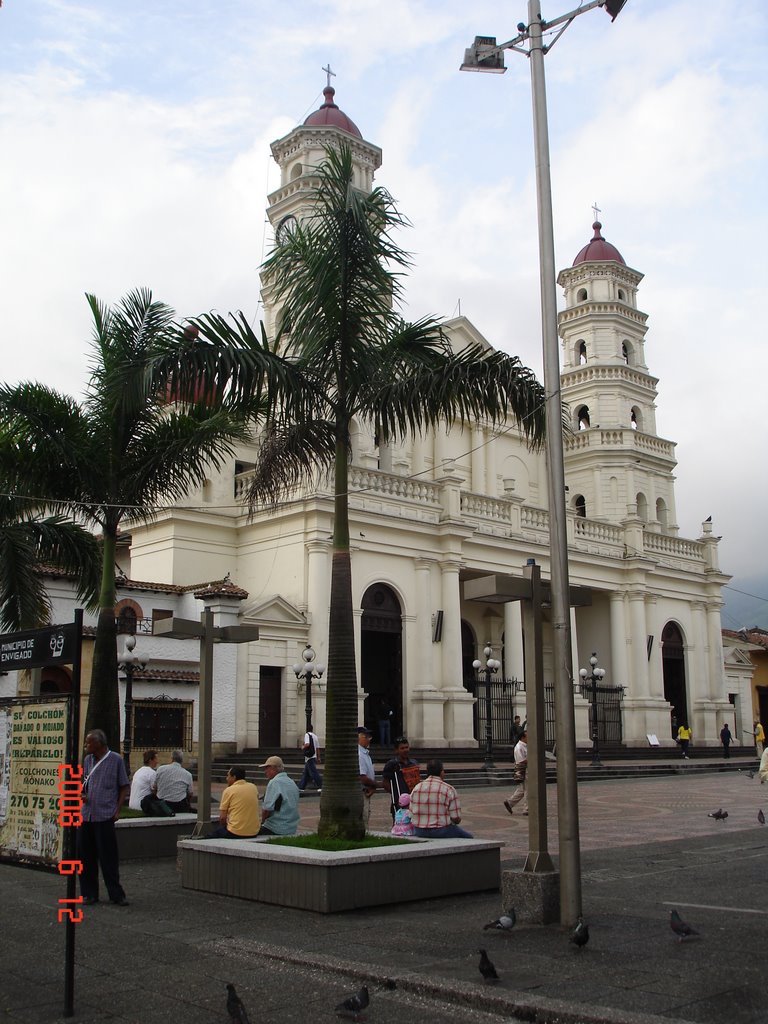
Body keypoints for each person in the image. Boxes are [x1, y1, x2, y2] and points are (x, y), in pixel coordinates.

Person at [78, 729, 130, 906]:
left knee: (108, 858)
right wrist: (83, 795)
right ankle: (89, 893)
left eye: (89, 743)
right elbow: (85, 782)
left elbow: (123, 785)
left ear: (98, 744)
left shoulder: (115, 760)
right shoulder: (88, 760)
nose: (86, 746)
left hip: (104, 815)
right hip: (87, 815)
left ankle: (116, 893)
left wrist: (118, 809)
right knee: (86, 857)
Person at [409, 759, 473, 839]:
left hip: (419, 830)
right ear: (441, 772)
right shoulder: (448, 789)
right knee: (469, 837)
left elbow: (411, 814)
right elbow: (456, 818)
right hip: (441, 830)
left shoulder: (416, 788)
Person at [211, 766, 260, 838]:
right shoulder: (253, 787)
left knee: (213, 834)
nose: (226, 778)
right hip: (254, 832)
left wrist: (224, 826)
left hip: (235, 832)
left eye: (228, 776)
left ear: (234, 777)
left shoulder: (229, 790)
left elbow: (222, 818)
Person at [257, 755, 300, 836]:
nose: (265, 771)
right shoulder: (291, 781)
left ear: (273, 768)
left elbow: (267, 809)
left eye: (266, 768)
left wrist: (262, 823)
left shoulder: (274, 782)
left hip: (276, 827)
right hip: (291, 827)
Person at [382, 736, 421, 822]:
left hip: (413, 800)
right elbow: (385, 783)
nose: (405, 750)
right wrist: (395, 793)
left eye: (406, 747)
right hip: (399, 801)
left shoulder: (414, 763)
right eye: (402, 748)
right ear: (396, 750)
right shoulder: (391, 764)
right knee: (399, 823)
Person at [128, 749, 171, 816]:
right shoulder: (152, 773)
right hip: (142, 805)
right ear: (150, 760)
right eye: (156, 759)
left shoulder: (138, 771)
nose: (157, 761)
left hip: (132, 804)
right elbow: (155, 792)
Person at [504, 729, 528, 816]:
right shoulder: (519, 747)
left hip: (526, 769)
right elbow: (521, 760)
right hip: (523, 770)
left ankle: (510, 802)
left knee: (522, 789)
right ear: (523, 737)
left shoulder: (525, 746)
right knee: (527, 789)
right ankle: (527, 808)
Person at [357, 726, 378, 827]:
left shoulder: (365, 753)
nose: (369, 740)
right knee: (363, 817)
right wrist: (376, 784)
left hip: (367, 790)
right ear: (359, 738)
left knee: (366, 815)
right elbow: (362, 777)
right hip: (361, 791)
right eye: (366, 737)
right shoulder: (359, 754)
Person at [297, 724, 322, 792]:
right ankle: (301, 787)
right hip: (313, 756)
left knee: (313, 772)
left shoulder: (307, 735)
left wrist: (302, 747)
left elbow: (307, 744)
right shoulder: (315, 736)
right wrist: (318, 757)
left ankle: (320, 785)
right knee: (306, 773)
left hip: (309, 756)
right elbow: (317, 748)